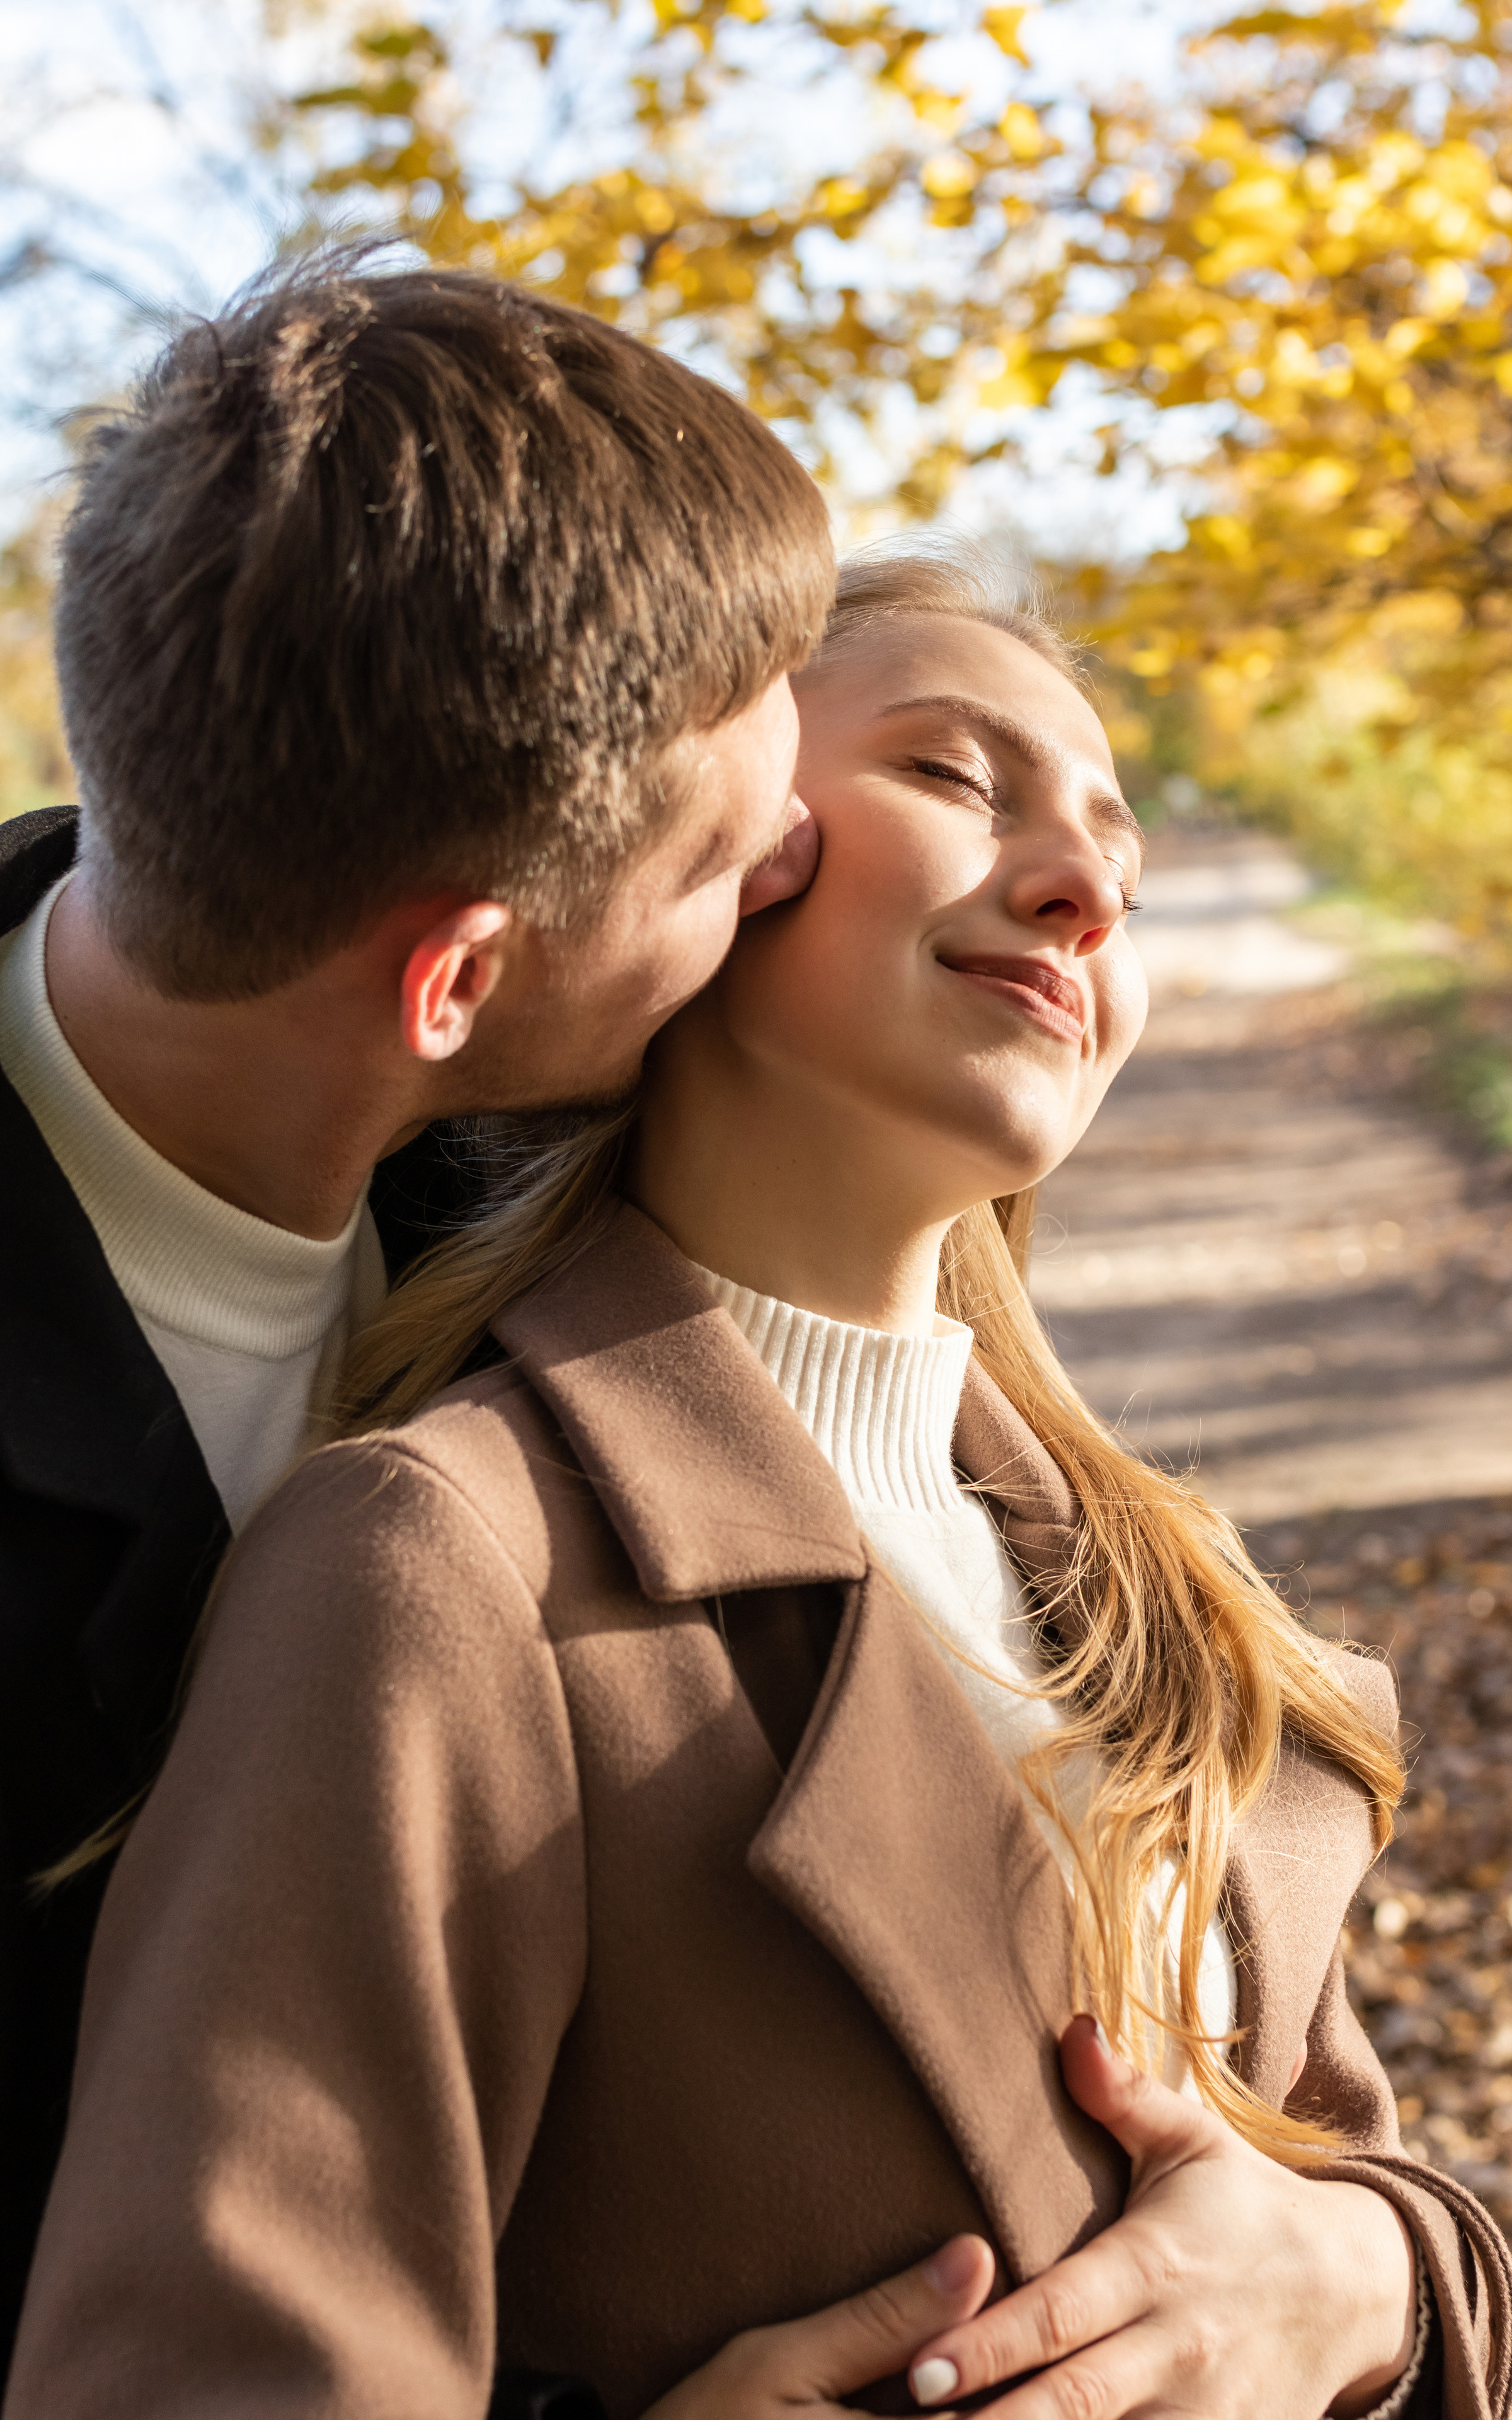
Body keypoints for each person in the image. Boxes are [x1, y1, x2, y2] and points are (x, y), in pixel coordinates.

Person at [6, 550, 1512, 2420]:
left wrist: (1367, 2280)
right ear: (714, 845)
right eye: (954, 776)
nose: (1084, 885)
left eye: (1122, 862)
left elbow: (1344, 2175)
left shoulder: (1148, 1579)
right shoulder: (441, 1561)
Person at [0, 251, 835, 2373]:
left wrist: (1346, 2242)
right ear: (454, 978)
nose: (796, 864)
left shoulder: (597, 1141)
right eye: (720, 864)